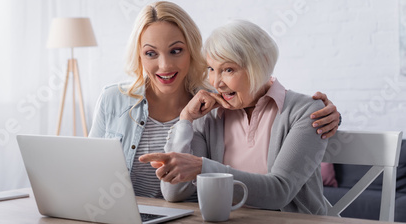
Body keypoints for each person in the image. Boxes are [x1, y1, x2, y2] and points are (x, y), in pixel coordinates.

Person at [89, 1, 339, 200]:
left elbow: (279, 189)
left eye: (176, 50)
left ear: (191, 51)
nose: (164, 64)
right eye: (150, 53)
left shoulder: (214, 105)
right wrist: (185, 121)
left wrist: (327, 113)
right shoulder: (206, 108)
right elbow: (90, 171)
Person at [140, 20, 329, 215]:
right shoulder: (209, 115)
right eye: (211, 69)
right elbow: (174, 192)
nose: (216, 82)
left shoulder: (306, 111)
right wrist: (185, 120)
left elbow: (279, 192)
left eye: (228, 70)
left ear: (261, 64)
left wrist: (202, 168)